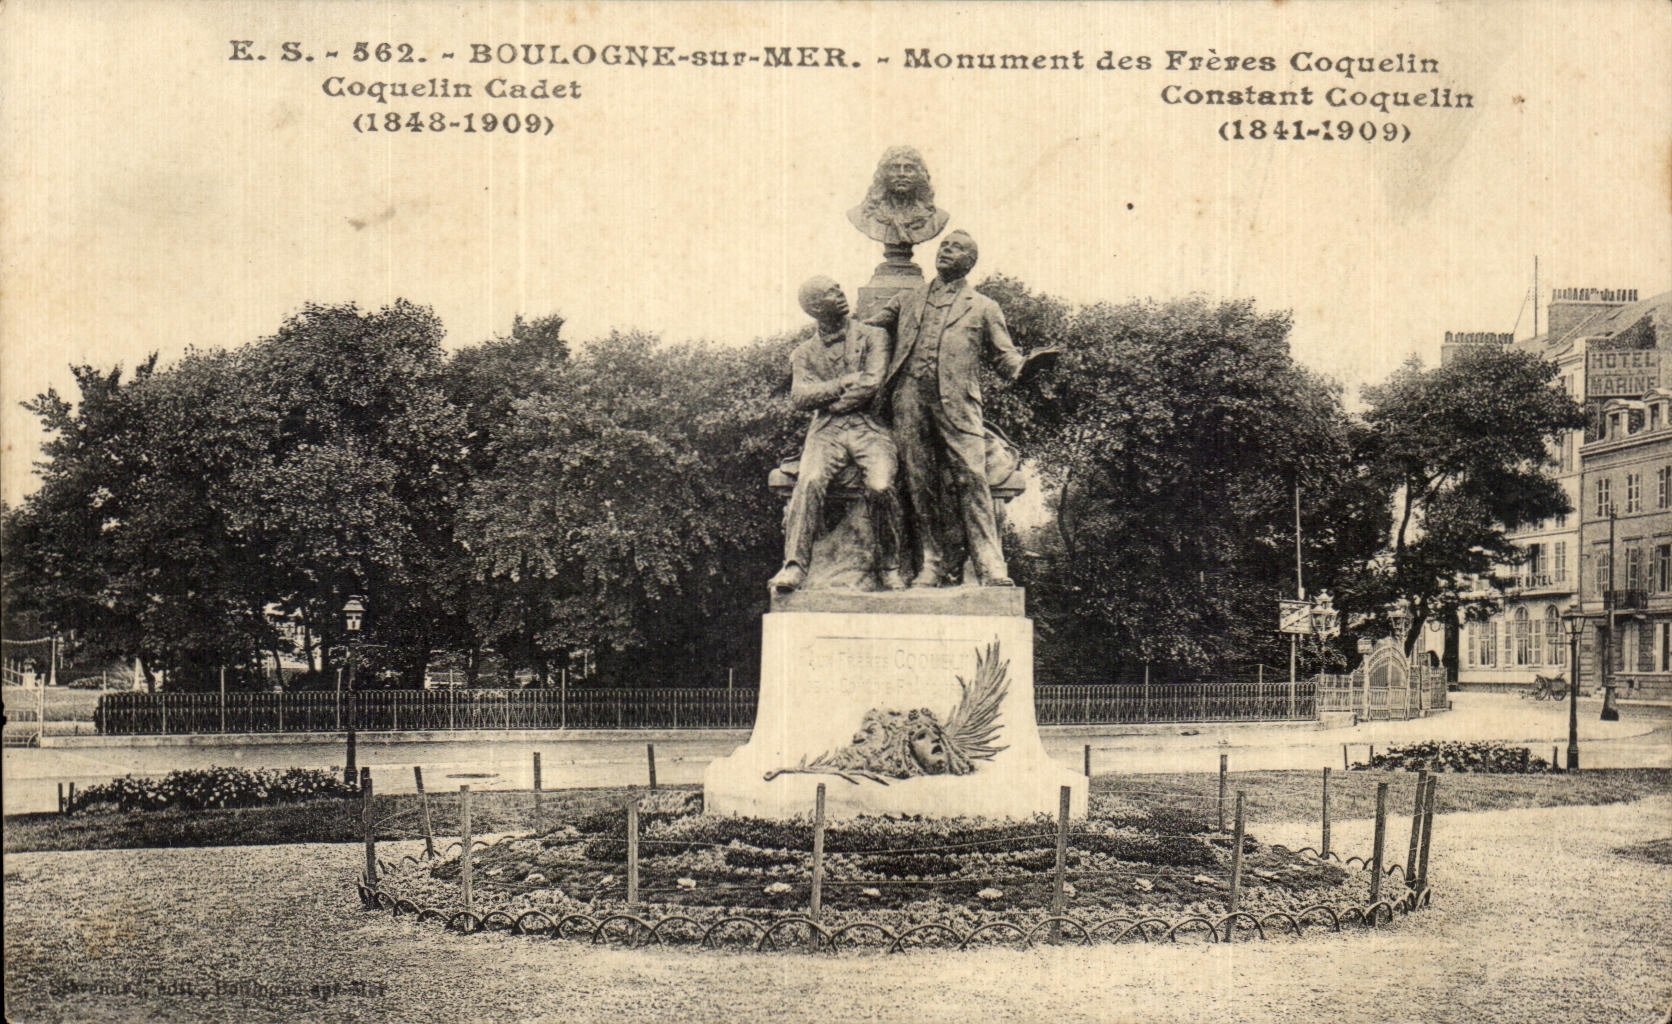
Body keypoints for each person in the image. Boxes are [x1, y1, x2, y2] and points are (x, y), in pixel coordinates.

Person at [868, 231, 1025, 587]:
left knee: (972, 476)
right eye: (943, 246)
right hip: (908, 399)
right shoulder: (909, 298)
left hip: (958, 404)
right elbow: (869, 326)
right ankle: (931, 562)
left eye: (957, 248)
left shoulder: (984, 306)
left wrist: (1023, 367)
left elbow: (1006, 356)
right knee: (918, 482)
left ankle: (990, 564)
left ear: (970, 261)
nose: (946, 251)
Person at [768, 276, 907, 592]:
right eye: (831, 292)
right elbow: (800, 397)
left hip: (869, 430)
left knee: (881, 485)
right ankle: (794, 567)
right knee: (811, 480)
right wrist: (843, 383)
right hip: (826, 433)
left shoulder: (874, 335)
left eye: (839, 288)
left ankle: (890, 567)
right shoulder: (803, 353)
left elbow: (872, 382)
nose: (841, 293)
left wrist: (831, 400)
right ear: (816, 307)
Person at [846, 146, 951, 248]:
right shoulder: (863, 215)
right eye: (895, 169)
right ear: (883, 175)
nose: (901, 174)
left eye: (908, 169)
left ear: (919, 176)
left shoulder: (935, 218)